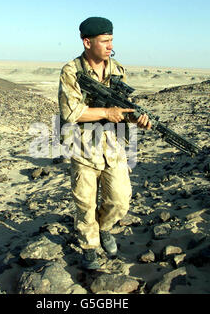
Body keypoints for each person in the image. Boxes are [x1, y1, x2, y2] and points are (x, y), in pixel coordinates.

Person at [58, 17, 151, 270]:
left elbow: (122, 109)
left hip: (113, 145)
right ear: (87, 42)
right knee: (85, 203)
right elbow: (72, 113)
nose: (110, 45)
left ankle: (104, 228)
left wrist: (137, 118)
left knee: (121, 200)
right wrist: (105, 113)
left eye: (111, 40)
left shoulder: (118, 69)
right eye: (105, 41)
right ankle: (89, 245)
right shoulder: (71, 71)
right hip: (83, 146)